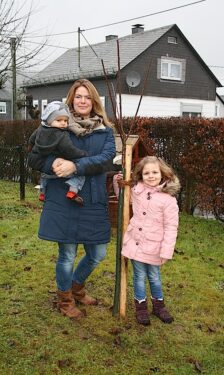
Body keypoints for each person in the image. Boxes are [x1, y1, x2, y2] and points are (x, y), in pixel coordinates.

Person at [28, 79, 116, 319]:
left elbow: (107, 160)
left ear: (95, 101)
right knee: (67, 254)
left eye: (87, 97)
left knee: (97, 253)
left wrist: (74, 166)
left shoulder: (105, 131)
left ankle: (76, 286)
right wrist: (53, 163)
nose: (83, 101)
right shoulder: (57, 125)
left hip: (93, 199)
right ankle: (65, 299)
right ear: (71, 100)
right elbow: (34, 159)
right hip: (63, 199)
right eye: (78, 96)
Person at [113, 156, 180, 325]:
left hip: (155, 247)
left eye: (155, 172)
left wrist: (166, 251)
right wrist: (117, 182)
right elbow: (124, 199)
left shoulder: (168, 200)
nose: (151, 176)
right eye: (146, 173)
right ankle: (141, 308)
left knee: (154, 277)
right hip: (136, 244)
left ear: (163, 173)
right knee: (139, 276)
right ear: (141, 175)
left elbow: (171, 227)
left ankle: (159, 306)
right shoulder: (137, 191)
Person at [28, 101, 88, 205]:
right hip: (58, 167)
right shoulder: (61, 135)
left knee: (44, 175)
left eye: (65, 120)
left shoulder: (41, 129)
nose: (63, 123)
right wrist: (82, 154)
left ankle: (42, 192)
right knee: (80, 173)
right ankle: (72, 191)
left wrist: (31, 147)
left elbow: (32, 139)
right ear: (50, 120)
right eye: (59, 120)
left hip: (45, 165)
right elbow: (68, 150)